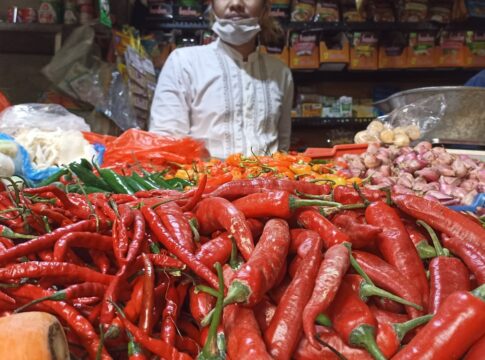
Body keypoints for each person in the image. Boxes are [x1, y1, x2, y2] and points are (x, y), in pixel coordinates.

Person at [149, 0, 294, 159]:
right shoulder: (184, 63)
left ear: (265, 8)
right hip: (202, 181)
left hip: (268, 181)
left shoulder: (280, 73)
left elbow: (282, 147)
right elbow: (166, 144)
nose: (236, 3)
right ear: (212, 6)